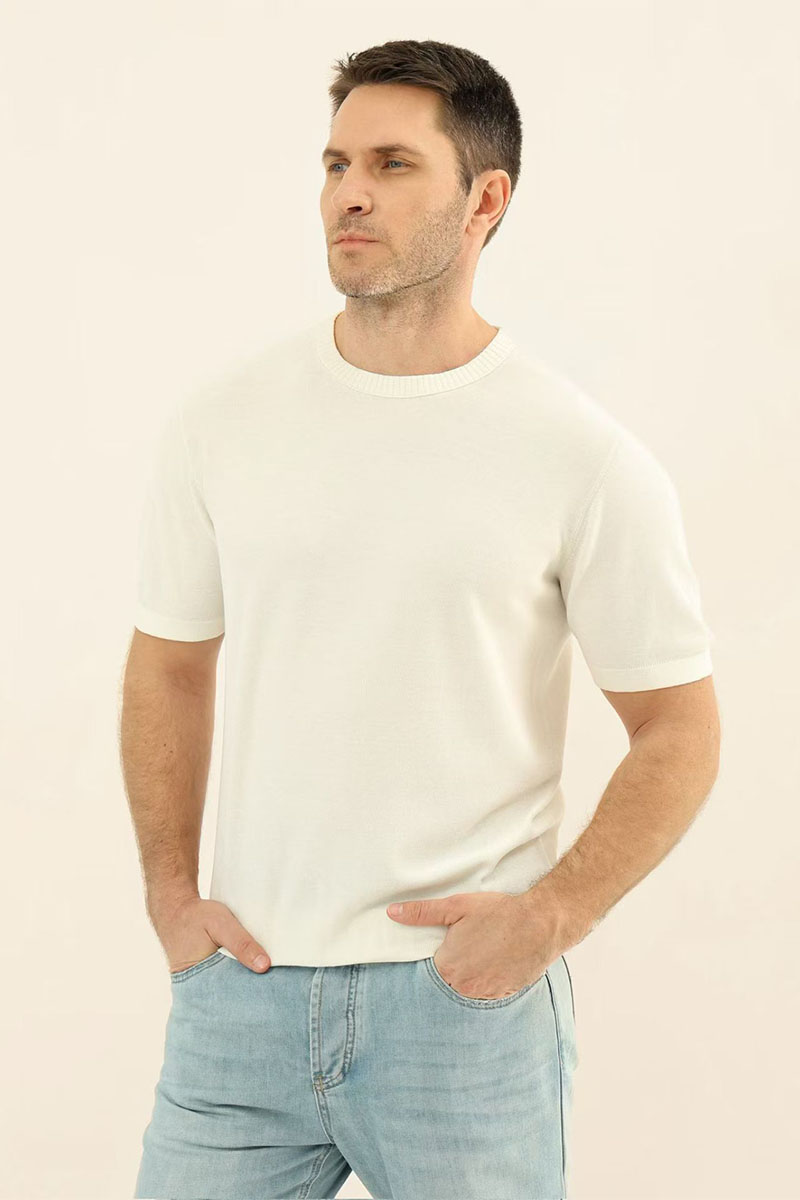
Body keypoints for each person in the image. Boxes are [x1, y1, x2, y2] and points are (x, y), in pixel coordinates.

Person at [121, 38, 721, 1200]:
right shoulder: (222, 425)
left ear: (484, 200)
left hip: (460, 1013)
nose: (348, 193)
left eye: (392, 164)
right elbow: (169, 666)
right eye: (335, 163)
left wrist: (548, 918)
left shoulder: (579, 456)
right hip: (240, 995)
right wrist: (168, 895)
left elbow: (678, 726)